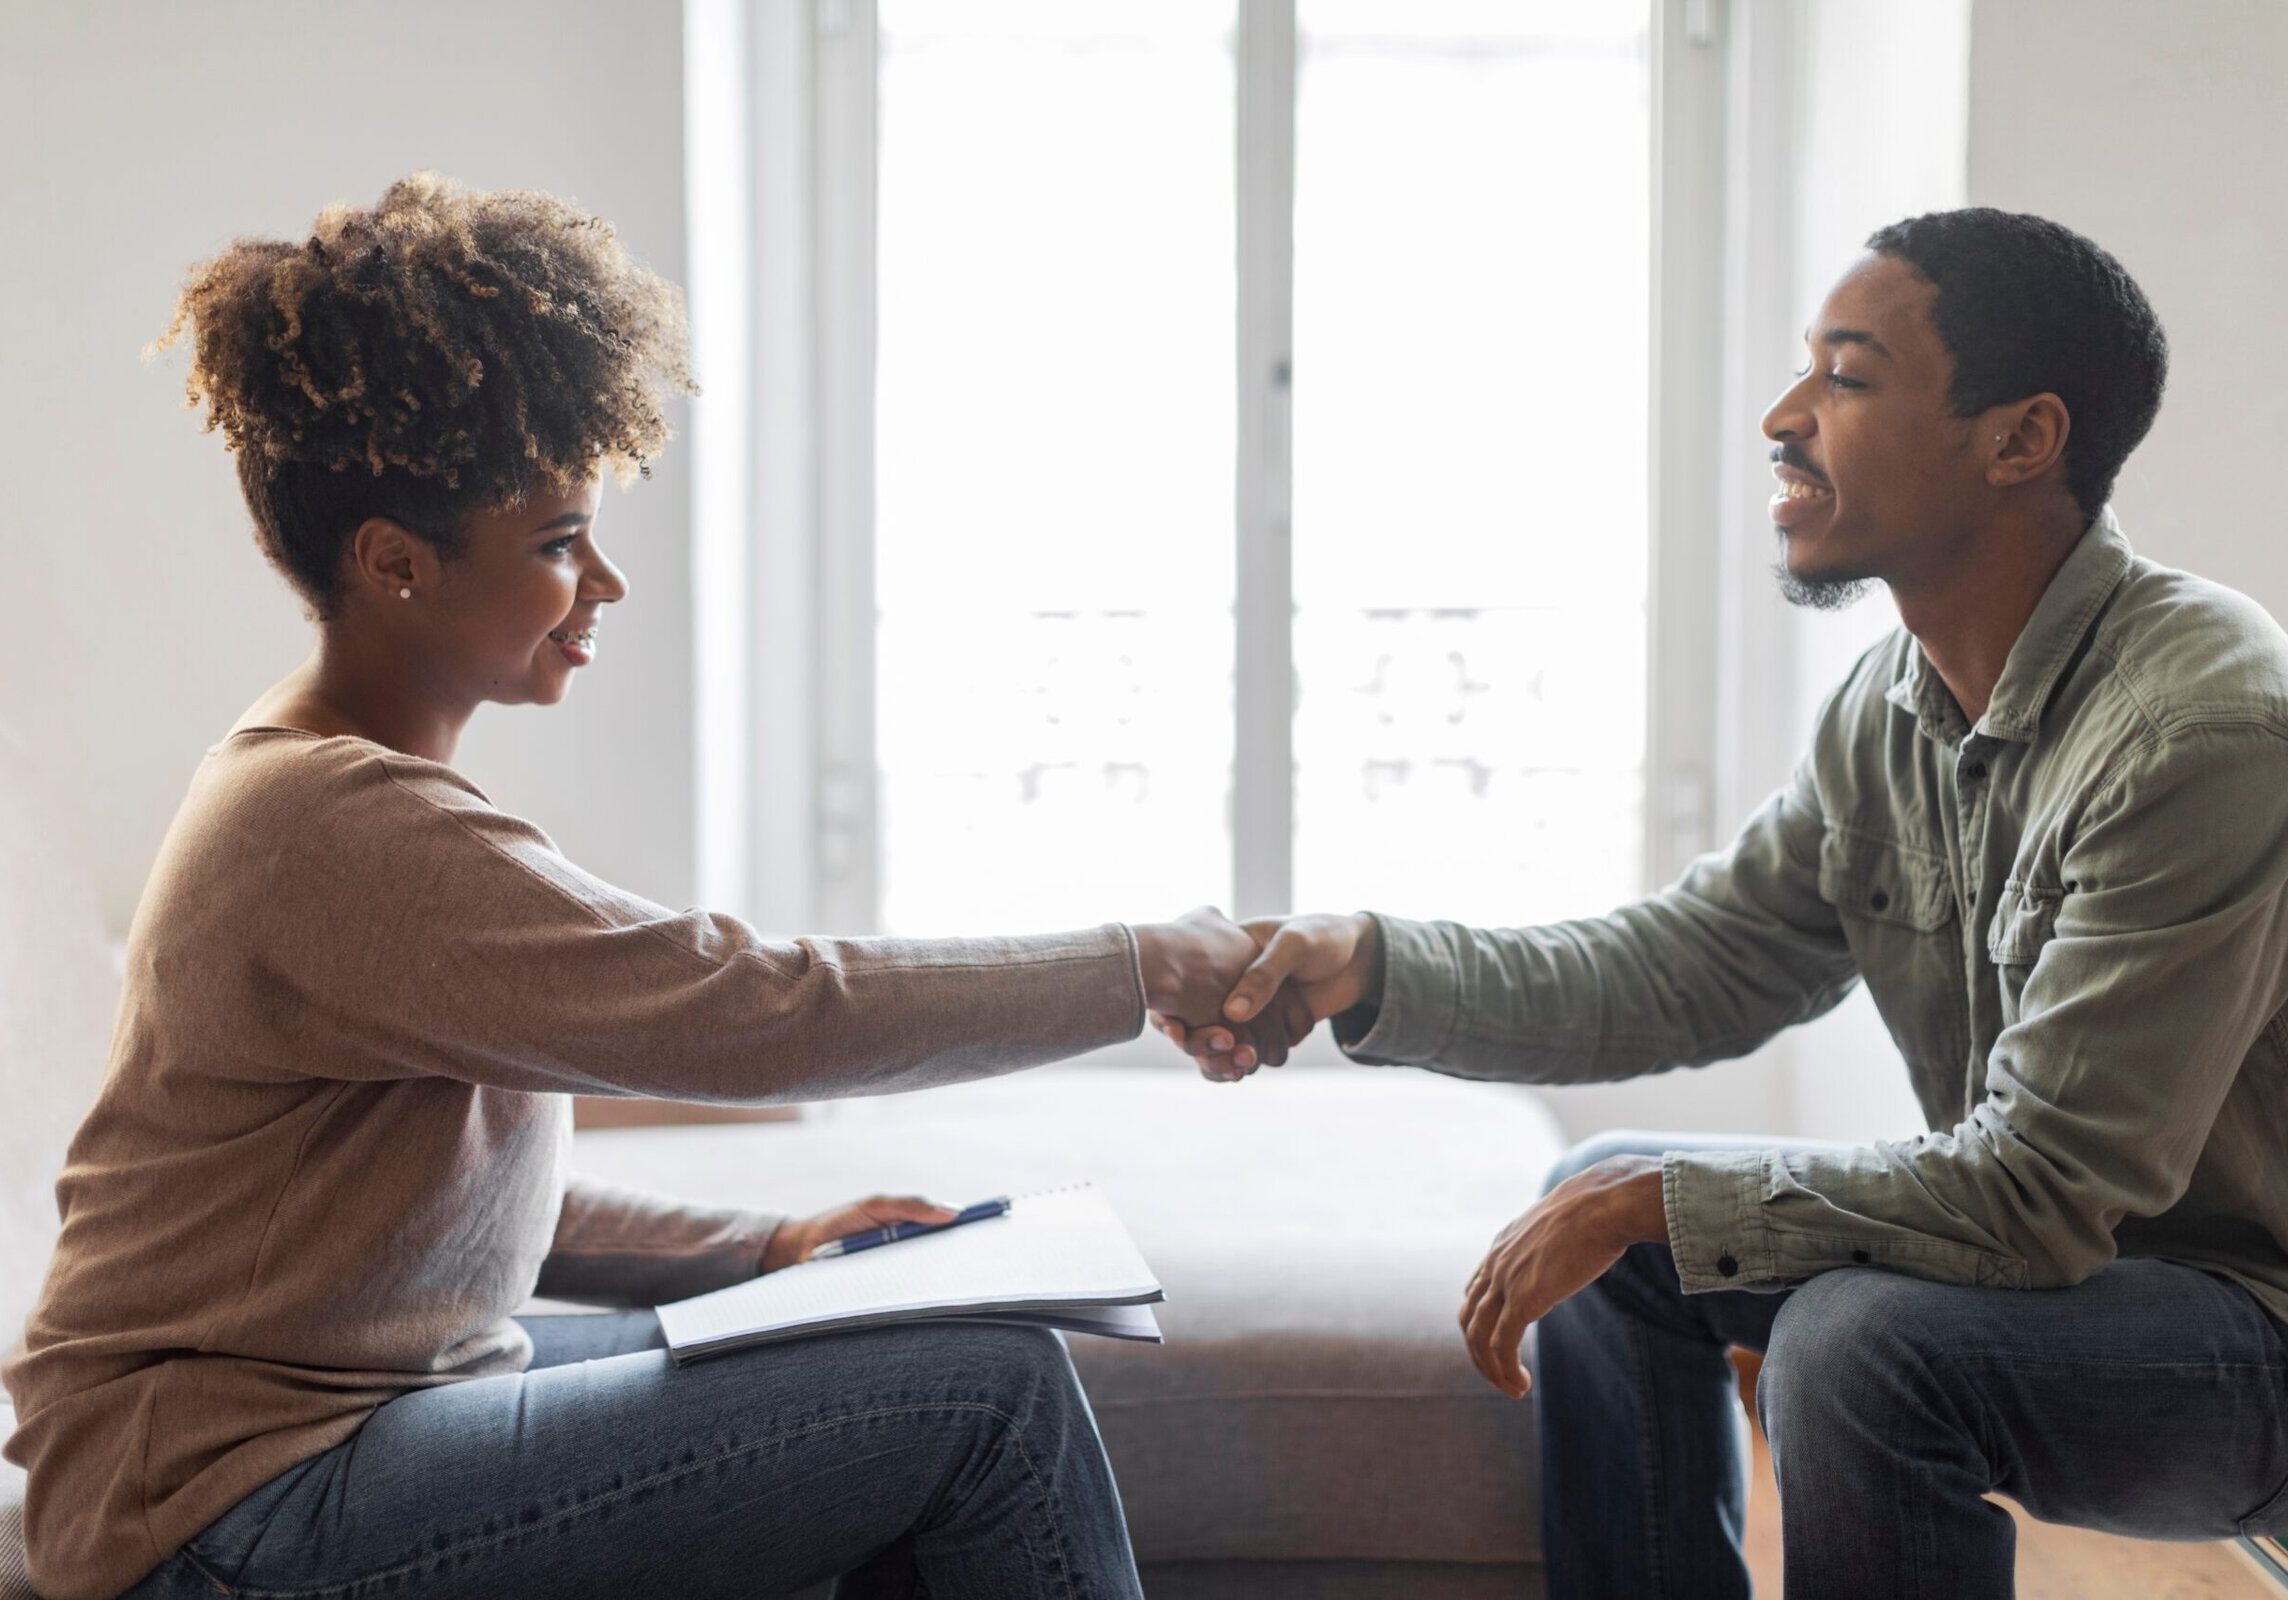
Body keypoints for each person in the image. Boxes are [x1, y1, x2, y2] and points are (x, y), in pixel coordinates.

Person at [1, 172, 1277, 1600]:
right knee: (991, 1400)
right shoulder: (331, 826)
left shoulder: (345, 784)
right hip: (227, 1511)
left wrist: (772, 1246)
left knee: (859, 1343)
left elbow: (445, 1212)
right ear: (393, 565)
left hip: (332, 1420)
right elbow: (753, 1009)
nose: (601, 580)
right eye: (556, 543)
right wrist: (1138, 964)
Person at [1162, 208, 2288, 1598]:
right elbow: (1681, 968)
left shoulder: (2201, 726)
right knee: (1607, 1209)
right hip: (2071, 1286)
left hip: (2252, 1331)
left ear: (2019, 439)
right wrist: (1372, 967)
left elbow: (2042, 1193)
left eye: (1848, 376)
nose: (1783, 416)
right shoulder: (1891, 710)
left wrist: (1668, 1200)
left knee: (1858, 1342)